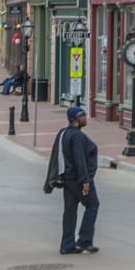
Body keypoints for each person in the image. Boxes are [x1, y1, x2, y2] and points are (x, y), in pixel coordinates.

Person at [54, 106, 99, 255]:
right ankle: (84, 240)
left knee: (70, 211)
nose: (85, 118)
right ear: (74, 119)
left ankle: (67, 245)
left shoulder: (65, 133)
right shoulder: (77, 136)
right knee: (93, 204)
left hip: (68, 179)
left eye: (85, 114)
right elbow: (80, 159)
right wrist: (85, 180)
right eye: (82, 116)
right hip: (78, 179)